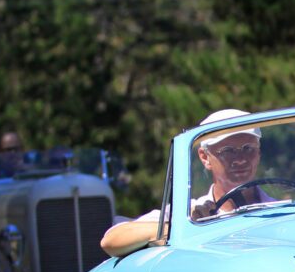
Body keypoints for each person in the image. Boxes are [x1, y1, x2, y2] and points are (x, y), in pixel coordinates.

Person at [101, 109, 271, 258]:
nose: (240, 160)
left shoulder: (281, 208)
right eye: (228, 151)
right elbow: (112, 240)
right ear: (205, 158)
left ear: (259, 153)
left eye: (248, 148)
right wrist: (184, 228)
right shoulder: (190, 213)